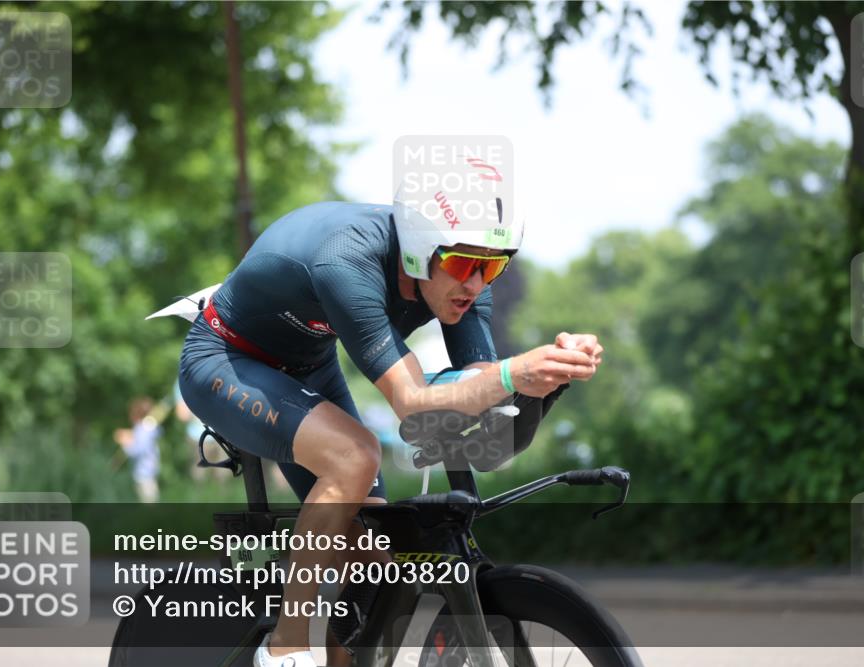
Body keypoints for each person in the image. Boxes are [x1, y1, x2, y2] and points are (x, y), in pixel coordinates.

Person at [177, 160, 603, 667]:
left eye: (494, 266)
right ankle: (284, 650)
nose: (477, 283)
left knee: (377, 558)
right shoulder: (348, 260)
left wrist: (548, 374)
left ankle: (336, 652)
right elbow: (413, 401)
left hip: (309, 366)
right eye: (467, 263)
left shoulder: (467, 286)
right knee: (355, 456)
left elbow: (480, 396)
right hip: (226, 359)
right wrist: (513, 372)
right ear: (423, 251)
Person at [113, 397, 162, 503]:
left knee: (149, 501)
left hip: (144, 472)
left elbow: (137, 450)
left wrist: (126, 444)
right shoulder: (149, 428)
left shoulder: (142, 430)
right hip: (149, 470)